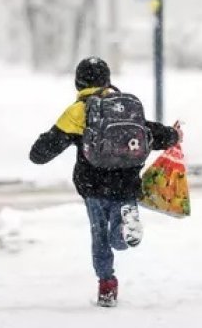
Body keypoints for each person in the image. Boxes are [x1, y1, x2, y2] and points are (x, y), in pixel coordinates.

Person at [29, 57, 181, 307]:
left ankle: (107, 286)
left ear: (78, 82)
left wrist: (42, 146)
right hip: (127, 182)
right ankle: (124, 230)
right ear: (108, 79)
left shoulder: (79, 111)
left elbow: (41, 153)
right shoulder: (126, 106)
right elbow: (150, 132)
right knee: (119, 234)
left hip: (94, 185)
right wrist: (174, 134)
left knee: (99, 236)